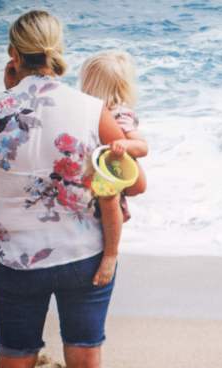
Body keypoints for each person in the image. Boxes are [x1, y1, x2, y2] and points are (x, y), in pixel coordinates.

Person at [0, 10, 144, 368]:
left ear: (13, 53)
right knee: (85, 365)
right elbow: (135, 180)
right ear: (56, 48)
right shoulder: (91, 108)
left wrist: (7, 88)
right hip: (83, 253)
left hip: (14, 256)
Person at [78, 50, 150, 285]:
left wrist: (124, 144)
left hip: (112, 173)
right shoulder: (85, 111)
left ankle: (111, 254)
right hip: (94, 170)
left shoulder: (121, 114)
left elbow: (142, 147)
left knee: (109, 201)